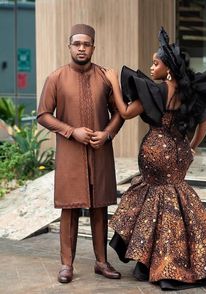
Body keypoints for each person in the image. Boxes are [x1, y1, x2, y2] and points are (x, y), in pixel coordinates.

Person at [104, 27, 206, 290]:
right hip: (178, 152)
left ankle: (159, 264)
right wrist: (192, 146)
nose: (151, 68)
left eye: (156, 63)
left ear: (168, 67)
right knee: (177, 202)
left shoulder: (157, 91)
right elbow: (205, 121)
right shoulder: (186, 91)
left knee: (158, 204)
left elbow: (127, 112)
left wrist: (112, 82)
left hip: (157, 151)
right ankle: (198, 261)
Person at [37, 24, 123, 283]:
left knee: (100, 207)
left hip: (100, 151)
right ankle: (66, 265)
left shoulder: (105, 77)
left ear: (93, 47)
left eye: (87, 44)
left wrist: (107, 133)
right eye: (77, 44)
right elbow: (43, 115)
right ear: (70, 46)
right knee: (69, 207)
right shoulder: (56, 78)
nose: (82, 48)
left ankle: (101, 262)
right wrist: (71, 131)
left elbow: (120, 112)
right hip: (70, 153)